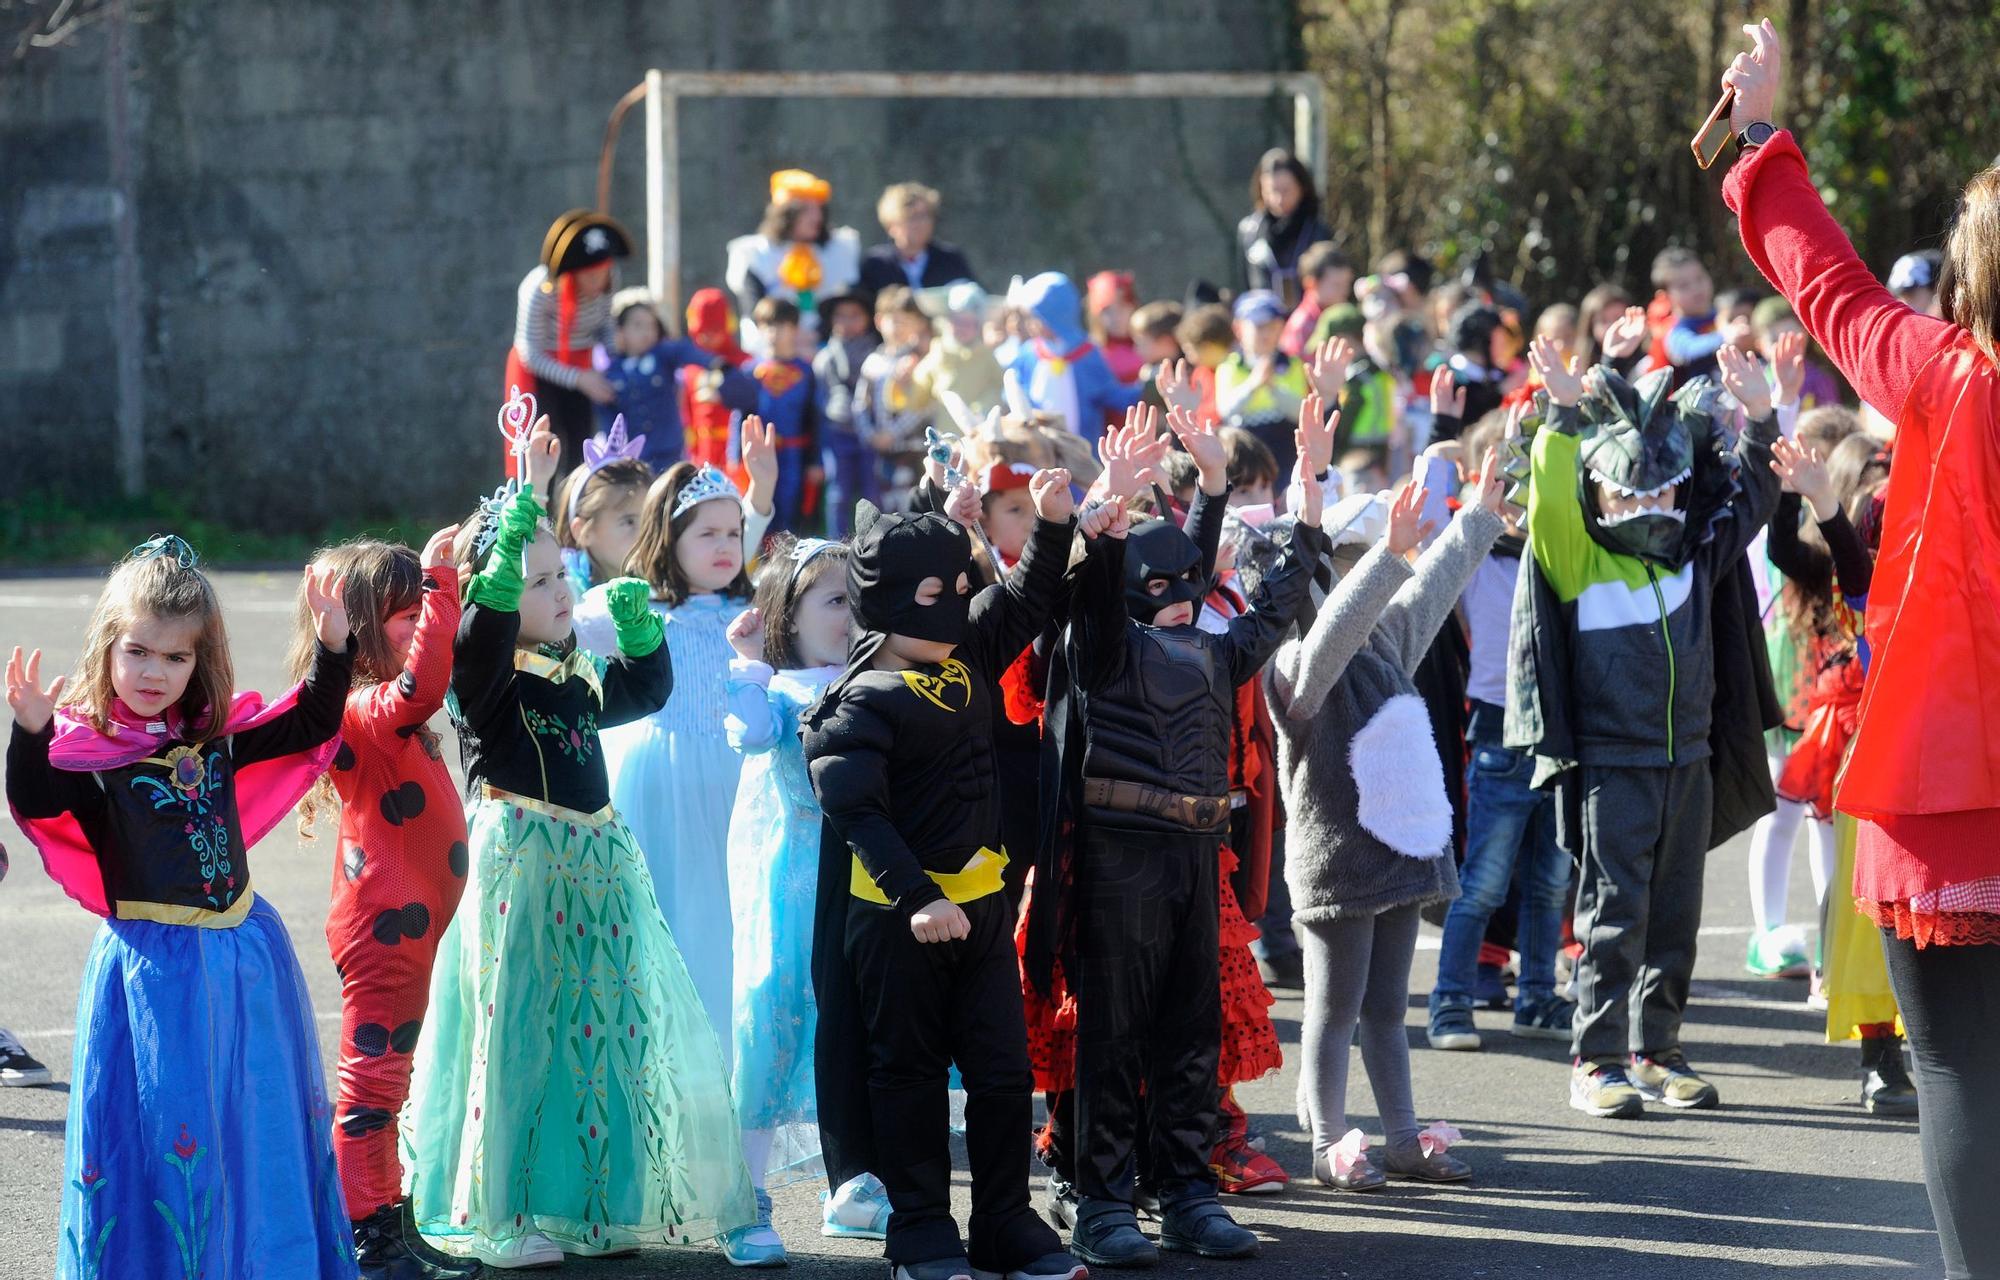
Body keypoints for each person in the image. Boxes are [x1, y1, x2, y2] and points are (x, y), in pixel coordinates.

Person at [1722, 22, 2000, 1270]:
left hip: (1940, 786)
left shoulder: (1940, 372)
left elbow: (1822, 281)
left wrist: (1759, 134)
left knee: (1955, 1076)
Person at [403, 444, 754, 1268]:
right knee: (519, 1029)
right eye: (537, 582)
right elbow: (482, 635)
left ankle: (593, 1208)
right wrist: (518, 516)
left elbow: (645, 692)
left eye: (562, 576)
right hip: (521, 865)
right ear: (494, 593)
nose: (561, 592)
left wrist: (640, 633)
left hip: (597, 866)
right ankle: (504, 1215)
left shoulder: (574, 672)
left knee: (599, 1033)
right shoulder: (484, 678)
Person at [6, 537, 357, 1278]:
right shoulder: (87, 756)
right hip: (153, 975)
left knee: (252, 1124)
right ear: (108, 647)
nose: (153, 673)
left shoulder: (215, 740)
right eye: (138, 652)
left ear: (201, 663)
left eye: (175, 658)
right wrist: (32, 734)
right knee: (169, 1130)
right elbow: (36, 800)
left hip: (245, 958)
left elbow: (311, 723)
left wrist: (333, 647)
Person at [1038, 408, 1322, 1265]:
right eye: (1151, 589)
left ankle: (1189, 1188)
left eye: (1186, 588)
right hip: (1118, 859)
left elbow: (1270, 606)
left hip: (1198, 859)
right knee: (1113, 1035)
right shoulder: (1102, 648)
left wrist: (1297, 502)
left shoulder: (1213, 651)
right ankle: (1103, 1199)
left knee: (1191, 1033)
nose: (1174, 601)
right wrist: (1110, 513)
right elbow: (1100, 591)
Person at [804, 473, 1087, 1280]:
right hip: (901, 923)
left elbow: (1026, 602)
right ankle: (921, 1227)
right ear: (889, 599)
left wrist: (1055, 523)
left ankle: (1004, 1219)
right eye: (938, 591)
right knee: (908, 1077)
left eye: (963, 586)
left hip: (982, 910)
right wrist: (918, 896)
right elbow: (856, 813)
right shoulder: (857, 703)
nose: (958, 604)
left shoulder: (962, 654)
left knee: (1003, 1074)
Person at [1508, 336, 1782, 1120]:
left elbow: (1753, 500)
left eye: (1661, 498)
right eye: (1629, 499)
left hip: (1687, 759)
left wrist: (1761, 417)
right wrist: (1561, 412)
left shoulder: (1694, 559)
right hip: (1613, 764)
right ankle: (1595, 1062)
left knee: (1676, 915)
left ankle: (1656, 1049)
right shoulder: (1582, 562)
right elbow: (1552, 496)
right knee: (1612, 913)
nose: (1647, 509)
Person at [1268, 429, 1505, 1190]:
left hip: (1401, 857)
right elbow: (1328, 644)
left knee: (1385, 1015)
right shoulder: (1293, 668)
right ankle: (1329, 1144)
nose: (1370, 585)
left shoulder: (1385, 647)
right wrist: (1387, 557)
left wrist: (1476, 520)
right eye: (1350, 565)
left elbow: (1428, 591)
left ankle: (1402, 1139)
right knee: (1333, 1014)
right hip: (1338, 863)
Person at [291, 529, 481, 1280]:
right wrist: (440, 580)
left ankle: (389, 1224)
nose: (426, 625)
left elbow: (441, 668)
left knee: (390, 1081)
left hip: (412, 930)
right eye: (407, 615)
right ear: (367, 631)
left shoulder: (391, 714)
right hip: (385, 929)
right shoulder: (370, 708)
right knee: (372, 1083)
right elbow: (429, 680)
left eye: (421, 613)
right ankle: (369, 1240)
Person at [721, 535, 895, 1262]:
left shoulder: (879, 679)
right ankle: (743, 1196)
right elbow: (753, 735)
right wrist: (746, 666)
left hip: (863, 876)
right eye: (833, 599)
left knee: (854, 1022)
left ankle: (851, 1181)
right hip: (790, 878)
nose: (850, 614)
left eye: (858, 598)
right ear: (788, 615)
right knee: (775, 1012)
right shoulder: (781, 686)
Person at [572, 441, 777, 1059]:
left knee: (733, 923)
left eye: (734, 533)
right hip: (659, 784)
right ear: (668, 537)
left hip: (739, 782)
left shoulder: (754, 609)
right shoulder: (636, 608)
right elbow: (559, 624)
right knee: (674, 920)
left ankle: (729, 1070)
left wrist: (759, 497)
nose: (724, 546)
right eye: (707, 534)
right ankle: (663, 1065)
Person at [1426, 400, 1575, 1052]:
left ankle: (1538, 997)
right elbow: (1434, 529)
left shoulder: (1564, 557)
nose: (1519, 505)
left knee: (1551, 880)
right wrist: (1441, 443)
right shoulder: (1479, 560)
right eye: (1510, 493)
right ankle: (1450, 1002)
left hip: (1563, 735)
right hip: (1500, 731)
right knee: (1482, 878)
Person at [509, 210, 633, 476]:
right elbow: (529, 352)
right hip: (541, 371)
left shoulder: (610, 280)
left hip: (583, 364)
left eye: (603, 272)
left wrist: (619, 357)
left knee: (580, 444)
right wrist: (579, 379)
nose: (598, 281)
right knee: (542, 444)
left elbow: (604, 324)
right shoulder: (539, 290)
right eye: (589, 275)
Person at [597, 289, 758, 473]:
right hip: (634, 458)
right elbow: (608, 419)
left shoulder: (663, 355)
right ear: (620, 331)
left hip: (669, 455)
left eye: (651, 325)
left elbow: (687, 351)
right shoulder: (612, 373)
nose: (646, 332)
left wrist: (718, 365)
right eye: (637, 325)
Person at [727, 169, 863, 352]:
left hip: (827, 348)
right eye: (806, 210)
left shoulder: (839, 250)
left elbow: (849, 303)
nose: (816, 217)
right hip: (772, 353)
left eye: (818, 209)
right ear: (785, 214)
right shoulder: (756, 253)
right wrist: (791, 336)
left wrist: (818, 335)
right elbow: (754, 309)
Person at [1007, 271, 1144, 438]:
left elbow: (1110, 394)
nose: (1032, 325)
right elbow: (1017, 391)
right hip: (1042, 448)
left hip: (1083, 450)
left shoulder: (1086, 353)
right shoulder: (1028, 354)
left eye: (1038, 317)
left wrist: (1146, 390)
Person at [1214, 291, 1309, 476]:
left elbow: (1300, 411)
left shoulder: (1293, 364)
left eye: (1272, 326)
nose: (1267, 333)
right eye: (1259, 326)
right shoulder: (1229, 366)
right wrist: (1253, 384)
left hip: (1285, 447)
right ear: (1239, 329)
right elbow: (1226, 410)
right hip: (1245, 449)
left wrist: (1272, 386)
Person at [816, 288, 885, 536]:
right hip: (837, 432)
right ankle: (838, 544)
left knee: (872, 491)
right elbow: (820, 402)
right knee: (838, 494)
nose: (847, 322)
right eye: (840, 316)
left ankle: (876, 542)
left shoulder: (877, 354)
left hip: (870, 433)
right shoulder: (825, 358)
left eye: (854, 315)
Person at [554, 424, 653, 594]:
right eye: (629, 521)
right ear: (583, 532)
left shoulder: (659, 591)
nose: (644, 534)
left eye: (648, 520)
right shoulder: (566, 596)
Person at [750, 298, 821, 535]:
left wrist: (816, 461)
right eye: (766, 326)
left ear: (794, 329)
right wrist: (734, 456)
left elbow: (816, 419)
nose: (772, 333)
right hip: (760, 455)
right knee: (759, 511)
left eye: (780, 326)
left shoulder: (807, 371)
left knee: (791, 516)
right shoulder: (751, 370)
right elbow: (741, 415)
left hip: (794, 455)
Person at [1237, 149, 1331, 310]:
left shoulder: (1318, 231)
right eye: (1272, 191)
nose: (1279, 200)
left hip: (1307, 323)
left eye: (1286, 190)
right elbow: (1245, 285)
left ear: (1302, 188)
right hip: (1265, 325)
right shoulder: (1249, 231)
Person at [682, 287, 756, 471]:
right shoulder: (691, 367)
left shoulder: (745, 364)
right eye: (702, 332)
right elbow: (688, 416)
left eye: (714, 331)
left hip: (735, 454)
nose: (707, 338)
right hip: (701, 455)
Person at [860, 182, 978, 296]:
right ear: (892, 225)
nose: (922, 223)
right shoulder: (876, 265)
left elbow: (974, 297)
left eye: (926, 215)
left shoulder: (950, 260)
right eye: (912, 217)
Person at [915, 281, 1005, 421]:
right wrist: (903, 383)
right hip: (945, 430)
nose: (962, 328)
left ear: (978, 325)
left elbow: (998, 388)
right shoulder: (939, 352)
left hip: (978, 431)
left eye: (968, 323)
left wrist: (983, 408)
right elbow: (919, 390)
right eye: (957, 321)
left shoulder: (986, 356)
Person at [1282, 244, 1357, 358]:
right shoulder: (1300, 326)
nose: (1345, 290)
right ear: (1311, 283)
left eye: (1347, 283)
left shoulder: (1348, 316)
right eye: (1336, 285)